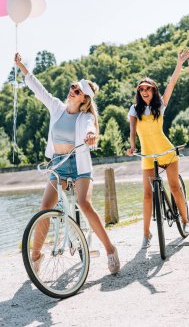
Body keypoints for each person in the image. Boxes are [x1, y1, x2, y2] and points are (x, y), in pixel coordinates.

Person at [15, 53, 120, 274]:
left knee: (84, 203)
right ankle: (36, 256)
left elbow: (91, 126)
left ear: (84, 99)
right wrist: (22, 66)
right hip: (58, 164)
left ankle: (110, 250)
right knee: (45, 208)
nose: (72, 91)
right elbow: (37, 88)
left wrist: (91, 135)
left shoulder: (85, 118)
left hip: (78, 165)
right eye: (73, 87)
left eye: (77, 91)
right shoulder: (56, 107)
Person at [127, 50, 189, 249]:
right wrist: (132, 147)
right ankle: (146, 234)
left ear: (153, 90)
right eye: (141, 89)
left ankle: (185, 221)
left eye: (148, 88)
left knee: (174, 187)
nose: (144, 91)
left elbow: (172, 83)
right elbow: (132, 132)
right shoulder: (134, 109)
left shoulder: (160, 105)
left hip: (166, 152)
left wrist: (179, 63)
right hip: (148, 156)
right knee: (148, 195)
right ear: (139, 92)